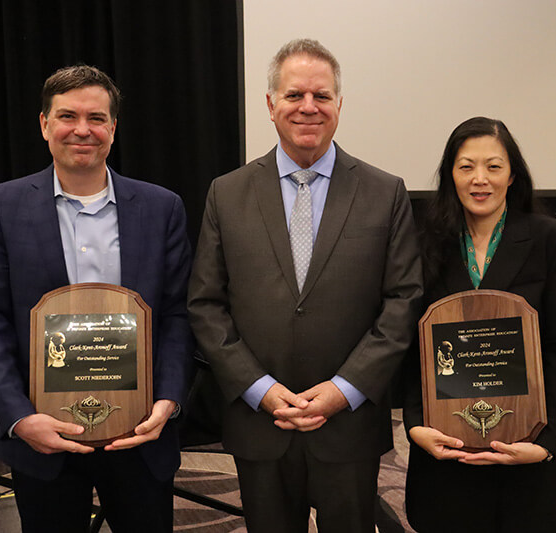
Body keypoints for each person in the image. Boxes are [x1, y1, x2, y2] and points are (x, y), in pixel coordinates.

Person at [187, 38, 422, 533]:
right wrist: (260, 389)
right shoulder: (226, 194)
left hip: (349, 422)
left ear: (340, 105)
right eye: (294, 95)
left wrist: (344, 389)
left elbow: (403, 301)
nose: (308, 107)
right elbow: (206, 305)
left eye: (322, 96)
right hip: (260, 421)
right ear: (270, 105)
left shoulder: (386, 192)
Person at [0, 65, 193, 532]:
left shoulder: (161, 207)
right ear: (44, 124)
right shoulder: (3, 206)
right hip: (43, 438)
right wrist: (19, 417)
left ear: (113, 128)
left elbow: (178, 314)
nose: (82, 130)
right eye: (67, 116)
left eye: (97, 118)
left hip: (140, 435)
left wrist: (168, 399)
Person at [404, 117, 556, 532]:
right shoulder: (424, 243)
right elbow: (412, 344)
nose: (479, 179)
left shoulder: (552, 239)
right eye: (466, 166)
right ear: (450, 175)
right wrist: (415, 422)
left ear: (512, 174)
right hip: (446, 448)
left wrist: (545, 441)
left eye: (493, 166)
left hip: (523, 447)